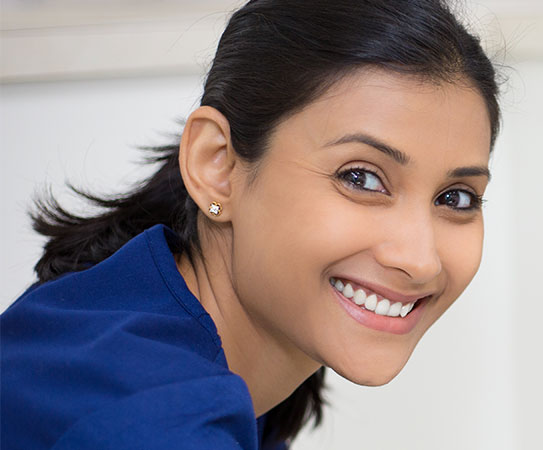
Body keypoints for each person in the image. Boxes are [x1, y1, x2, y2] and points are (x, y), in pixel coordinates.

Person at [0, 0, 500, 448]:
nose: (417, 259)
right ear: (216, 166)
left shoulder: (133, 321)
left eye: (456, 198)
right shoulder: (155, 422)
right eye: (361, 178)